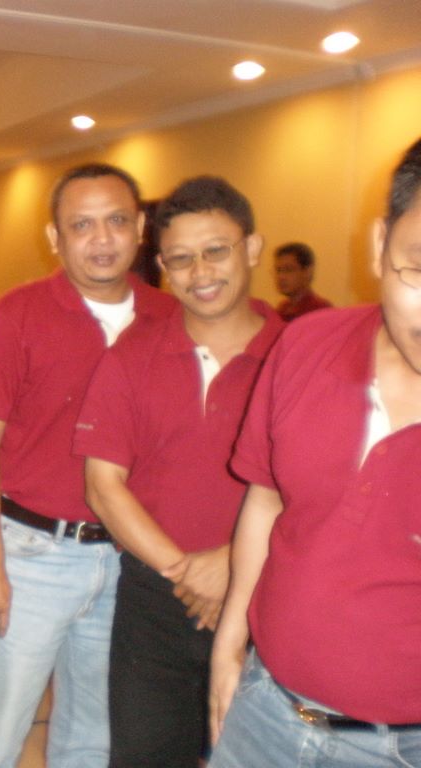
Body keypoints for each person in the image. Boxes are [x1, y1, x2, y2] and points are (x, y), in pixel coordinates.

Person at [208, 138, 421, 767]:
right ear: (380, 243)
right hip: (264, 706)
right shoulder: (307, 343)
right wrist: (230, 641)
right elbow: (266, 497)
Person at [0, 164, 174, 768]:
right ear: (55, 237)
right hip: (29, 556)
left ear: (141, 228)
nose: (101, 239)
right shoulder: (19, 313)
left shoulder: (169, 318)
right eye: (82, 225)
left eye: (116, 221)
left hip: (126, 560)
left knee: (93, 738)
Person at [75, 176, 284, 768]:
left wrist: (233, 564)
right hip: (155, 604)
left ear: (251, 248)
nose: (201, 272)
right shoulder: (132, 354)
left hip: (268, 596)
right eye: (182, 259)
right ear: (163, 267)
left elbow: (318, 492)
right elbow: (103, 486)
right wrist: (187, 574)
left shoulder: (300, 356)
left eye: (216, 251)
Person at [273, 241, 332, 320]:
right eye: (278, 270)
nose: (281, 276)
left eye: (289, 269)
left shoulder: (320, 310)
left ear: (307, 272)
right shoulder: (282, 309)